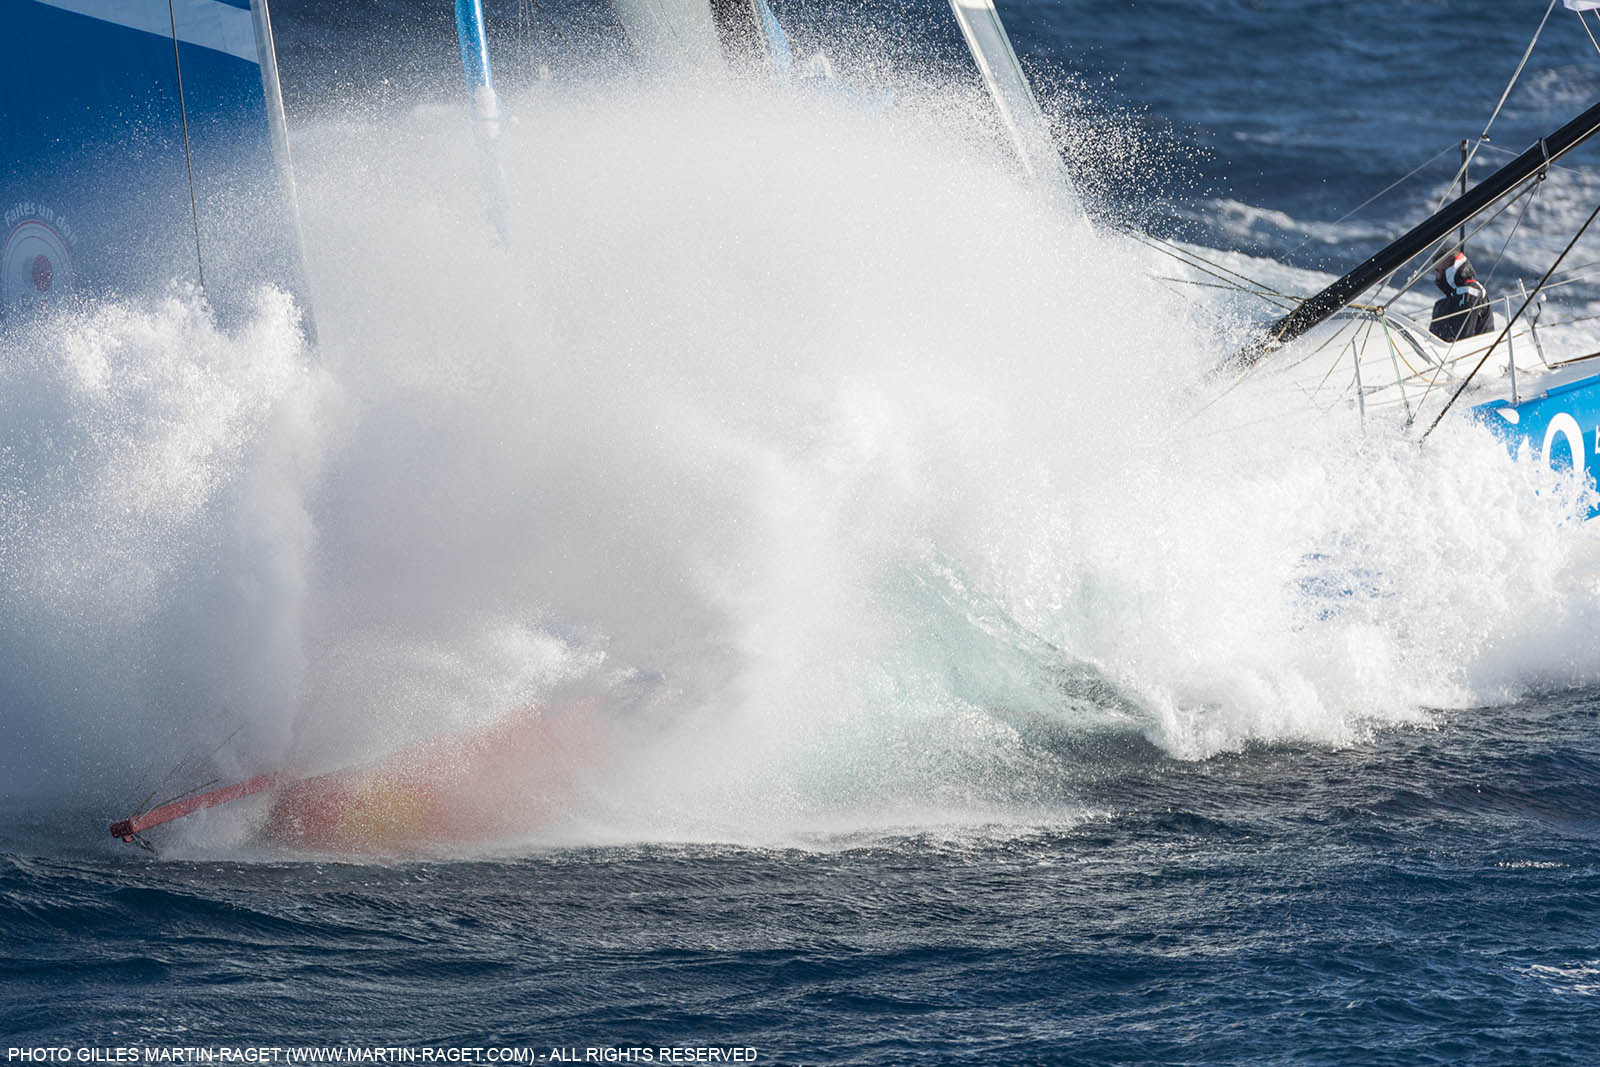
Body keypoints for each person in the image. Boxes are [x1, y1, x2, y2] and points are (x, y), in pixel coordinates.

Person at [1429, 250, 1495, 342]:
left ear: (1453, 271)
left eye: (1443, 271)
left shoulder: (1470, 292)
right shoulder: (1453, 297)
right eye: (1437, 271)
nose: (1439, 276)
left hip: (1475, 352)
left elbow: (1463, 337)